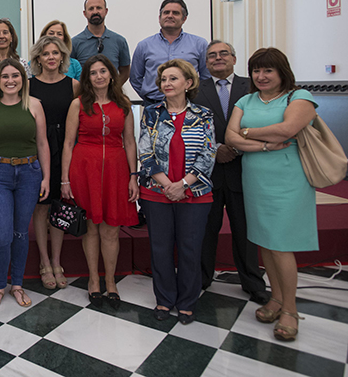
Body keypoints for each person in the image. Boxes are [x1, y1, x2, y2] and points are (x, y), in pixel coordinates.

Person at [225, 47, 318, 342]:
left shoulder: (299, 97)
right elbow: (230, 137)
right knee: (264, 240)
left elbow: (289, 128)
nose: (261, 76)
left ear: (282, 72)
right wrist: (264, 143)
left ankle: (290, 309)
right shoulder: (245, 99)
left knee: (280, 243)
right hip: (255, 177)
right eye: (257, 71)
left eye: (268, 70)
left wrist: (249, 133)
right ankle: (275, 298)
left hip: (288, 179)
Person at [138, 59, 216, 324]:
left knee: (190, 248)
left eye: (173, 79)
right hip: (156, 193)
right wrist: (166, 185)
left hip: (195, 193)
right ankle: (164, 300)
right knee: (160, 248)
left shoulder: (203, 114)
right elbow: (145, 153)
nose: (167, 84)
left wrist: (183, 184)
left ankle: (187, 302)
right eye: (164, 80)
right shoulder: (151, 113)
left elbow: (208, 153)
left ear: (188, 83)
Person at [192, 41, 268, 304]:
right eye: (211, 55)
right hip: (208, 173)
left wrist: (237, 146)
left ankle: (252, 281)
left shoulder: (253, 86)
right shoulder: (194, 89)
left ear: (234, 58)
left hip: (244, 169)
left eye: (223, 53)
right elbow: (190, 129)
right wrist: (215, 149)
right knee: (205, 230)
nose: (217, 58)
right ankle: (201, 278)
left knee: (245, 231)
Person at [62, 55, 139, 307]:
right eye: (93, 72)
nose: (98, 76)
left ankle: (111, 281)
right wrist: (65, 180)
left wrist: (133, 176)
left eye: (103, 71)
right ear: (87, 78)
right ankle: (93, 279)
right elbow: (68, 143)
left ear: (111, 75)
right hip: (85, 170)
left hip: (116, 171)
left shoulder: (123, 103)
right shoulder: (78, 105)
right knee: (91, 227)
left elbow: (130, 142)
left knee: (111, 229)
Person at [0, 59, 49, 309]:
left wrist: (47, 177)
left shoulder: (35, 105)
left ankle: (16, 284)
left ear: (23, 79)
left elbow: (42, 144)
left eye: (15, 76)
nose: (10, 80)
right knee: (2, 234)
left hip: (30, 173)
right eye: (5, 76)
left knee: (20, 232)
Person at [28, 35, 80, 290]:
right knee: (41, 205)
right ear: (38, 58)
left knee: (59, 204)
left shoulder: (74, 86)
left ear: (63, 57)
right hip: (37, 148)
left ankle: (57, 260)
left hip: (65, 148)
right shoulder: (28, 86)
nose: (51, 57)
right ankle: (44, 261)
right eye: (46, 53)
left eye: (55, 53)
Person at [130, 0, 209, 105]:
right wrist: (149, 97)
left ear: (184, 19)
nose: (170, 16)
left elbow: (206, 77)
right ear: (159, 18)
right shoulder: (144, 45)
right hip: (153, 104)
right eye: (166, 13)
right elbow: (135, 78)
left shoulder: (199, 44)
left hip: (188, 104)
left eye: (175, 13)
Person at [70, 0, 131, 85]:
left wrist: (114, 88)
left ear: (106, 11)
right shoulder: (74, 43)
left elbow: (125, 70)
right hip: (85, 96)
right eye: (91, 9)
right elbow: (71, 71)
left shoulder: (119, 41)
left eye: (99, 8)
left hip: (112, 97)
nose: (95, 12)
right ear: (85, 13)